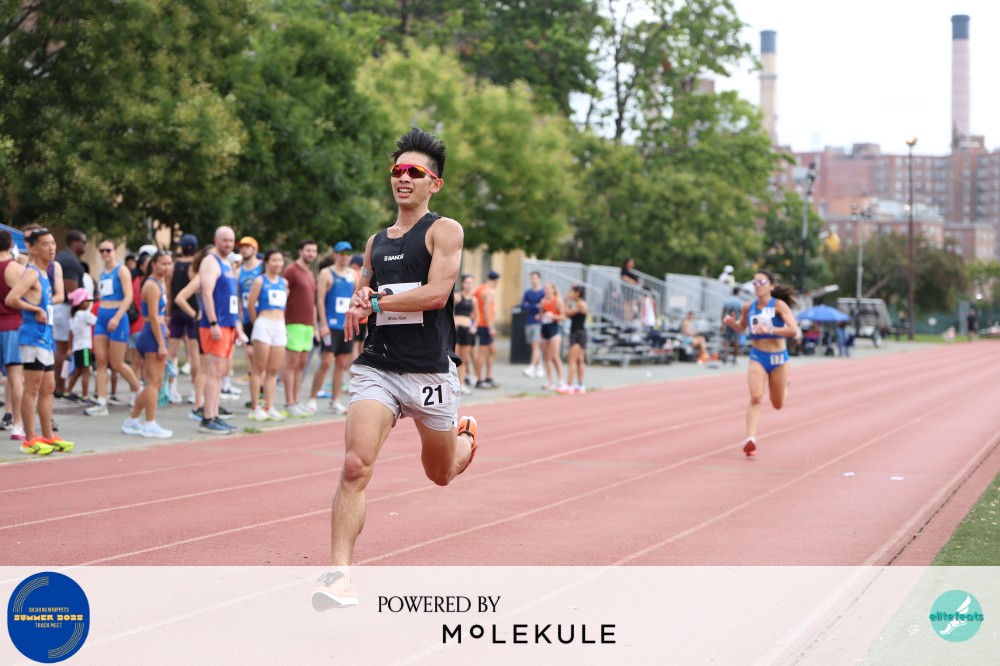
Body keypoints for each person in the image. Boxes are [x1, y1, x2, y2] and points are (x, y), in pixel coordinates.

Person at [312, 127, 478, 610]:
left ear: (434, 184)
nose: (403, 178)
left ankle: (466, 439)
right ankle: (339, 577)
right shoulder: (375, 243)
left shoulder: (444, 231)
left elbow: (437, 294)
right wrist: (358, 302)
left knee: (440, 474)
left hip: (429, 371)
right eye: (397, 170)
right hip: (379, 366)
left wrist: (379, 302)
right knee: (354, 465)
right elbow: (362, 294)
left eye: (414, 172)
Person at [5, 228, 73, 454]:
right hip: (32, 337)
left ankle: (48, 436)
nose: (51, 248)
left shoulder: (45, 273)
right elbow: (11, 298)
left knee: (48, 387)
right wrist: (35, 309)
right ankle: (29, 439)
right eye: (45, 244)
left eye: (53, 243)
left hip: (45, 336)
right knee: (32, 387)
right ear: (33, 248)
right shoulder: (32, 273)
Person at [722, 270, 799, 458]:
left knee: (778, 404)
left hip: (778, 359)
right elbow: (742, 327)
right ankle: (751, 439)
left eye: (762, 282)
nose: (757, 285)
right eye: (755, 282)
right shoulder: (748, 307)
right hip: (758, 356)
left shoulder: (778, 305)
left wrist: (770, 329)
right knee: (756, 396)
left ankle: (785, 384)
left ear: (771, 286)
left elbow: (793, 330)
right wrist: (731, 323)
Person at [173, 245, 234, 424]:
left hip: (218, 323)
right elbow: (180, 298)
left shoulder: (222, 273)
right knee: (204, 368)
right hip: (205, 324)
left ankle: (208, 406)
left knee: (211, 369)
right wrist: (196, 314)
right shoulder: (202, 276)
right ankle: (199, 405)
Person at [121, 251, 174, 438]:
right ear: (154, 265)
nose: (167, 267)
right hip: (151, 335)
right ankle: (150, 423)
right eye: (163, 264)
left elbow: (160, 314)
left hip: (154, 332)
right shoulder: (152, 285)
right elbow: (152, 316)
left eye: (169, 263)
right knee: (154, 382)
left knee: (153, 382)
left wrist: (164, 328)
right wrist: (161, 344)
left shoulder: (161, 282)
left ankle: (132, 420)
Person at [85, 240, 141, 416]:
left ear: (115, 251)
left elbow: (129, 296)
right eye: (102, 250)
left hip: (117, 316)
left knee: (117, 363)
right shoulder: (103, 273)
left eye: (108, 250)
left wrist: (117, 318)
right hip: (102, 316)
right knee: (101, 361)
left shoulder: (121, 270)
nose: (105, 254)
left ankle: (139, 391)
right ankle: (102, 401)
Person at [197, 227, 244, 434]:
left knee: (220, 372)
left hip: (228, 324)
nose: (228, 244)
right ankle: (208, 417)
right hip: (216, 325)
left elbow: (231, 298)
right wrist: (213, 322)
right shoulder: (210, 262)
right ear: (216, 240)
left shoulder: (227, 264)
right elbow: (206, 293)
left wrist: (236, 326)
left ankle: (214, 414)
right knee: (213, 371)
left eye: (231, 240)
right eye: (225, 240)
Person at [311, 241, 357, 414]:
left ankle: (335, 401)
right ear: (336, 255)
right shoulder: (326, 273)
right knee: (326, 361)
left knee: (342, 363)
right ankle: (312, 398)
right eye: (341, 253)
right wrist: (323, 324)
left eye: (347, 254)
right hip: (330, 326)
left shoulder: (353, 274)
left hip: (346, 325)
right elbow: (320, 300)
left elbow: (356, 297)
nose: (345, 257)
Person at [245, 249, 288, 421]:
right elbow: (250, 305)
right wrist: (257, 322)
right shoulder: (259, 281)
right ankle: (255, 406)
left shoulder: (284, 282)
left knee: (273, 369)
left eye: (280, 260)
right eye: (274, 260)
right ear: (267, 263)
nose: (277, 264)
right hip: (263, 324)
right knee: (259, 368)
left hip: (279, 325)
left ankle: (269, 406)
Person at [282, 239, 318, 416]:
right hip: (293, 323)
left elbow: (313, 303)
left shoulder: (310, 273)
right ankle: (289, 402)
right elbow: (282, 295)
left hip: (308, 325)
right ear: (300, 251)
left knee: (302, 365)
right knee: (292, 364)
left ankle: (296, 400)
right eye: (308, 250)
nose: (311, 254)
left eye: (314, 251)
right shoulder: (291, 270)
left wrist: (315, 326)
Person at [53, 229, 87, 397]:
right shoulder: (70, 261)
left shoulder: (62, 256)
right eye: (83, 242)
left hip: (60, 309)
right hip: (65, 309)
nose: (85, 246)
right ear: (74, 242)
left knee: (61, 349)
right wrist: (82, 306)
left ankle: (59, 385)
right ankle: (60, 387)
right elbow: (72, 292)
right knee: (64, 350)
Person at [168, 234, 200, 405]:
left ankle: (171, 389)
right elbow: (197, 291)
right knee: (194, 354)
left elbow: (169, 292)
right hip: (192, 310)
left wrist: (167, 313)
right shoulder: (195, 267)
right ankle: (195, 391)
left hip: (176, 311)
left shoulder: (173, 266)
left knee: (171, 354)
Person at [0, 229, 26, 440]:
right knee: (16, 378)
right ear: (11, 245)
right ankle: (17, 424)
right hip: (12, 326)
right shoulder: (17, 269)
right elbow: (30, 297)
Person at [65, 288, 97, 402]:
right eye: (87, 301)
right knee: (86, 372)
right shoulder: (85, 315)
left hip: (77, 348)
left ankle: (67, 391)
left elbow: (70, 334)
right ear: (80, 302)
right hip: (85, 348)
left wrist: (69, 348)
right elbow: (97, 321)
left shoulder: (73, 317)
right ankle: (85, 395)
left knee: (78, 371)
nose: (89, 303)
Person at [472, 270, 500, 389]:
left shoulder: (479, 288)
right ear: (497, 280)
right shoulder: (489, 291)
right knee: (482, 353)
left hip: (480, 324)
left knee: (493, 350)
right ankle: (479, 380)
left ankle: (488, 377)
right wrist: (490, 327)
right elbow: (487, 309)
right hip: (484, 325)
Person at [560, 284, 588, 394]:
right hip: (578, 333)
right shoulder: (579, 303)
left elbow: (567, 313)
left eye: (571, 292)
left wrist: (566, 301)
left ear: (577, 293)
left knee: (572, 359)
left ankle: (569, 384)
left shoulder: (580, 304)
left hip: (578, 334)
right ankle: (580, 385)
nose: (569, 294)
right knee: (580, 360)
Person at [539, 283, 567, 391]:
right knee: (546, 357)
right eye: (545, 289)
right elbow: (541, 314)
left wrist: (553, 316)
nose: (546, 291)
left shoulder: (557, 301)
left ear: (553, 289)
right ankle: (549, 381)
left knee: (555, 356)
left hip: (554, 328)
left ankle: (561, 380)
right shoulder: (543, 301)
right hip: (544, 328)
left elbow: (563, 316)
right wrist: (541, 315)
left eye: (548, 288)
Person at [453, 274, 478, 395]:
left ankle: (462, 384)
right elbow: (448, 311)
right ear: (462, 283)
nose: (469, 285)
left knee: (464, 359)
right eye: (467, 283)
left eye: (471, 283)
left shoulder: (474, 299)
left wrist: (474, 326)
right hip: (457, 330)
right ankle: (454, 384)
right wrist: (452, 322)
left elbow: (477, 315)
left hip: (467, 330)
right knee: (455, 358)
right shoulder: (457, 296)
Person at [520, 271, 544, 378]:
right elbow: (523, 306)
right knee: (533, 346)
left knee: (536, 345)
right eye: (532, 278)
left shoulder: (543, 292)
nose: (533, 280)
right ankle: (539, 366)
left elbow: (542, 307)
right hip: (529, 320)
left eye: (535, 278)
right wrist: (535, 306)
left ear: (539, 279)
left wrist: (530, 305)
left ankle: (532, 366)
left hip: (538, 322)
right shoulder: (528, 292)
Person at [720, 287, 744, 363]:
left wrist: (723, 323)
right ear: (738, 293)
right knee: (736, 340)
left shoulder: (727, 300)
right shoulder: (740, 302)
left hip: (728, 322)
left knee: (727, 340)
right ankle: (734, 358)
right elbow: (742, 313)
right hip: (737, 322)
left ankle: (725, 356)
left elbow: (723, 312)